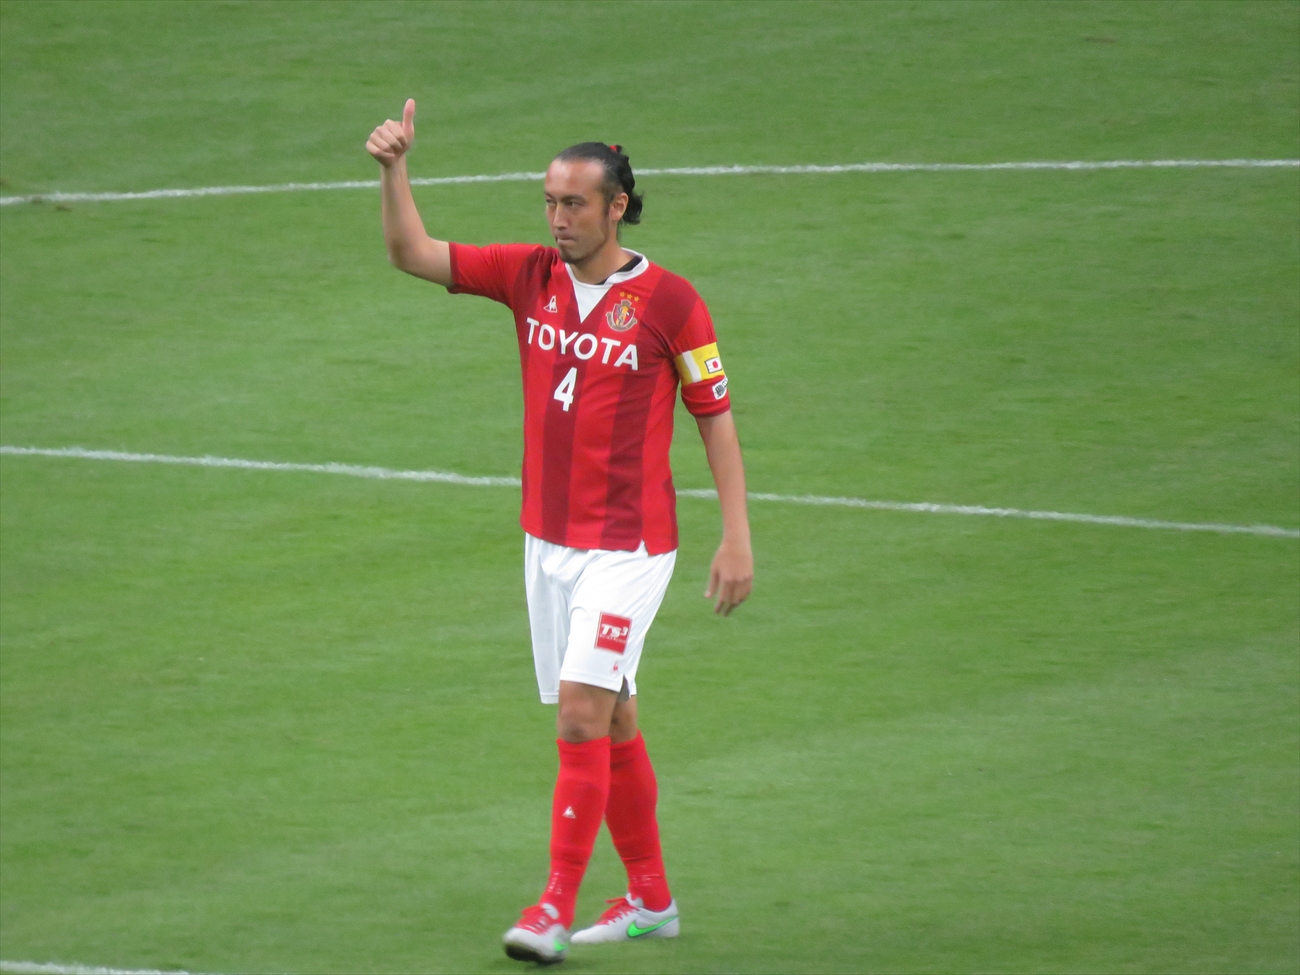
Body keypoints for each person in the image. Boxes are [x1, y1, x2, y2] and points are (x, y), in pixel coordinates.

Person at [366, 99, 753, 965]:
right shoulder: (529, 275)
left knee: (580, 714)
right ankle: (651, 899)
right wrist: (395, 170)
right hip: (547, 542)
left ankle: (551, 907)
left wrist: (736, 535)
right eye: (549, 201)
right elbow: (411, 252)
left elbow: (715, 417)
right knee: (612, 716)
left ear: (617, 206)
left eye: (574, 203)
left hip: (630, 547)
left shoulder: (672, 302)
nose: (557, 218)